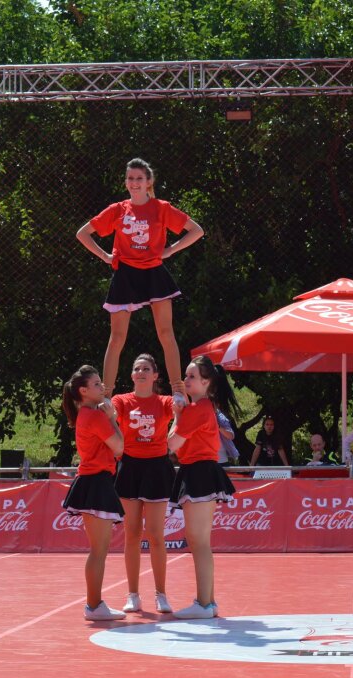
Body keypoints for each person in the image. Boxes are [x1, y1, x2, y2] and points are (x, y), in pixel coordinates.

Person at [76, 158, 205, 398]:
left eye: (139, 178)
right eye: (130, 178)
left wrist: (170, 250)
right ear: (126, 182)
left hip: (154, 273)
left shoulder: (161, 208)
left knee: (166, 333)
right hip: (125, 274)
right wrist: (105, 256)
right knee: (117, 338)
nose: (134, 183)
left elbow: (197, 231)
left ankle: (178, 391)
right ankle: (106, 395)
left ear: (148, 182)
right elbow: (82, 234)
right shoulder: (117, 209)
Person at [167, 356, 241, 620]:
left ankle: (204, 602)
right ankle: (207, 601)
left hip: (198, 472)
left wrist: (176, 416)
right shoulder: (202, 407)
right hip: (201, 471)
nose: (185, 381)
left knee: (198, 542)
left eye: (191, 377)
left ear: (206, 382)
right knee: (201, 542)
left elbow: (172, 445)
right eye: (186, 376)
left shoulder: (197, 409)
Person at [111, 354, 177, 615]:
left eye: (146, 368)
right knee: (132, 534)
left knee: (156, 535)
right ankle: (133, 595)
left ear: (155, 375)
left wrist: (178, 427)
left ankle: (161, 594)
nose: (141, 372)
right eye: (136, 368)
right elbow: (109, 413)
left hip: (157, 468)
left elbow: (184, 411)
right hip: (130, 466)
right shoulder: (122, 400)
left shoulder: (165, 402)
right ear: (131, 375)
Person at [60, 364, 126, 621]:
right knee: (99, 550)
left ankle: (94, 604)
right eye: (97, 384)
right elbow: (119, 447)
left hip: (92, 480)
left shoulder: (85, 415)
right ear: (84, 391)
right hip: (96, 481)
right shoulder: (95, 416)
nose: (103, 387)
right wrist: (112, 418)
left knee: (98, 549)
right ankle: (94, 605)